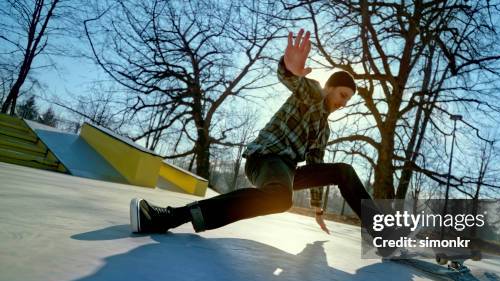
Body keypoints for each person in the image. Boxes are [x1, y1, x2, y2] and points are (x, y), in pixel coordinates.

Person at [130, 28, 391, 255]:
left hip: (288, 170)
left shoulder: (324, 130)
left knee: (342, 171)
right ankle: (169, 217)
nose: (343, 104)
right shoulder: (311, 92)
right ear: (329, 87)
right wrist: (290, 67)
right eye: (342, 95)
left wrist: (318, 210)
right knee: (280, 198)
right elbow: (290, 79)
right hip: (265, 159)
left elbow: (317, 168)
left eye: (348, 100)